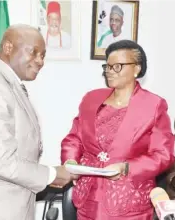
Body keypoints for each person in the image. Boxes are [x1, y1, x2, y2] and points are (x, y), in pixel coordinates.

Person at [61, 40, 174, 220]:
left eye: (117, 66)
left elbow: (163, 155)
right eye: (108, 66)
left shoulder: (153, 106)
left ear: (137, 69)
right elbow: (74, 138)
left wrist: (127, 167)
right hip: (88, 198)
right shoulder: (91, 99)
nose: (109, 71)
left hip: (129, 203)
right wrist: (71, 161)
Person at [0, 24, 76, 220]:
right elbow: (1, 162)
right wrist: (50, 175)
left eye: (43, 55)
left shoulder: (6, 83)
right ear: (8, 48)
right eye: (34, 52)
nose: (40, 61)